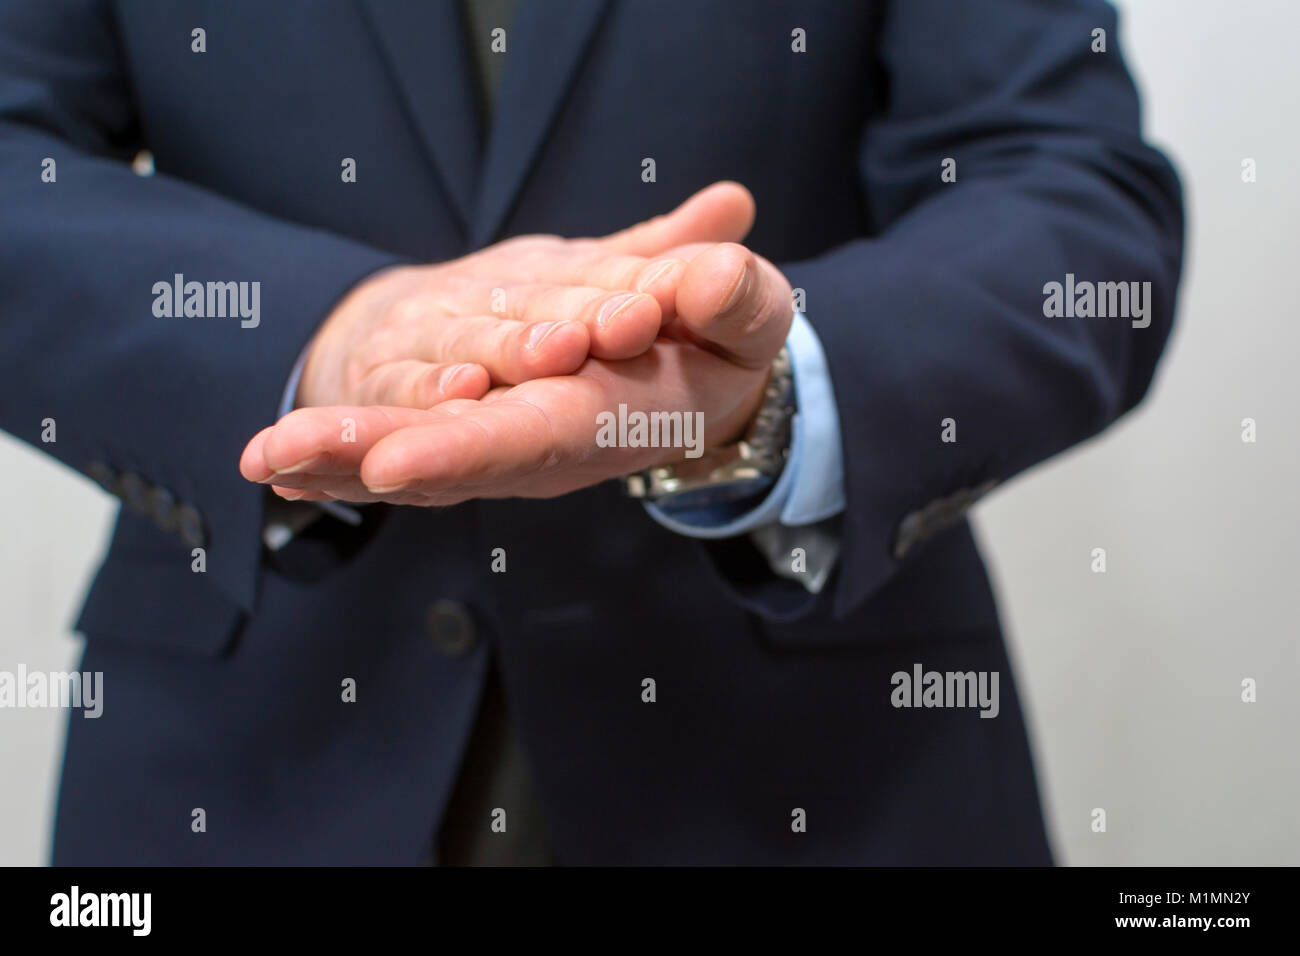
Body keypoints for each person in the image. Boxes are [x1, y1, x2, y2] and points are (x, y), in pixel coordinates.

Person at [0, 0, 1183, 864]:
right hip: (241, 771)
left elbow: (1067, 189)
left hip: (825, 778)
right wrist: (315, 332)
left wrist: (768, 397)